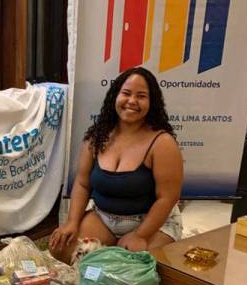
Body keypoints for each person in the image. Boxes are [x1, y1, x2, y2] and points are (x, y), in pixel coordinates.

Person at [50, 67, 183, 264]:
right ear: (115, 96)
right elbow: (83, 184)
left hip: (151, 223)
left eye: (141, 96)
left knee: (133, 268)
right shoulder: (97, 137)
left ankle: (127, 249)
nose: (132, 101)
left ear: (152, 102)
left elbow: (168, 197)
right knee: (62, 247)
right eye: (126, 93)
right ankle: (111, 247)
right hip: (104, 218)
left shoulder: (163, 143)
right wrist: (72, 222)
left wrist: (141, 235)